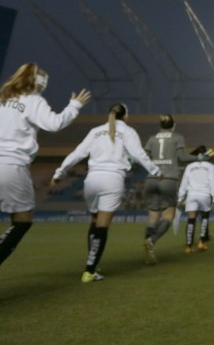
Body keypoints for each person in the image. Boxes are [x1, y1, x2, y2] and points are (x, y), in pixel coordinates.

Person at [0, 63, 90, 311]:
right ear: (38, 83)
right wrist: (74, 106)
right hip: (10, 166)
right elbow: (54, 123)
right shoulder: (33, 100)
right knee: (22, 222)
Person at [51, 103, 161, 283]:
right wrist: (156, 171)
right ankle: (90, 270)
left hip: (91, 180)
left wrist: (59, 173)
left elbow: (78, 153)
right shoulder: (128, 131)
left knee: (94, 221)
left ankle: (92, 263)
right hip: (112, 179)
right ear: (125, 116)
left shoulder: (95, 131)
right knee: (102, 225)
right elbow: (138, 154)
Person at [141, 114, 190, 264]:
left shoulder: (152, 138)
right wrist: (200, 157)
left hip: (151, 179)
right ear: (173, 125)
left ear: (160, 125)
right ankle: (151, 241)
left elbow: (143, 157)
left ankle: (147, 250)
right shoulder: (177, 137)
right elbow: (182, 157)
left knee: (152, 218)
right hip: (168, 179)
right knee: (168, 217)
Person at [177, 145, 214, 253]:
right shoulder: (210, 166)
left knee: (191, 219)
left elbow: (184, 183)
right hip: (204, 194)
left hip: (191, 195)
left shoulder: (190, 166)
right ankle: (201, 242)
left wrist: (180, 197)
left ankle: (189, 247)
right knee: (205, 218)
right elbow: (213, 182)